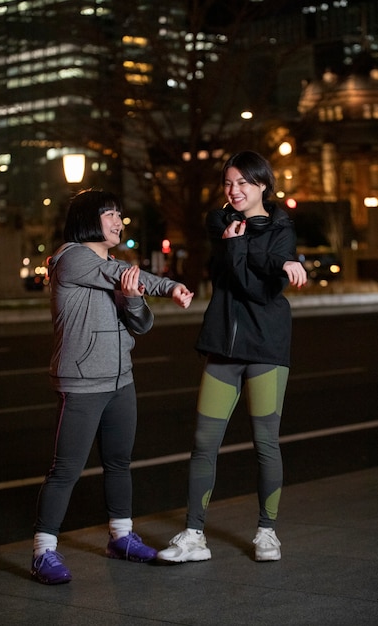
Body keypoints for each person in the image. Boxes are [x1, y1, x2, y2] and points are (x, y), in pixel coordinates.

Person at [31, 189, 193, 585]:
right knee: (65, 469)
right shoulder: (72, 258)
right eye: (109, 214)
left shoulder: (113, 267)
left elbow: (141, 323)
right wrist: (170, 287)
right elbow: (123, 277)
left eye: (120, 214)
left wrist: (134, 299)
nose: (118, 221)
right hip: (82, 382)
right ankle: (42, 552)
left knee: (119, 462)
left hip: (121, 380)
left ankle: (121, 537)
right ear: (89, 218)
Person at [157, 150, 307, 564]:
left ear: (263, 185)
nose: (234, 190)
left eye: (243, 182)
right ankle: (193, 535)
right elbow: (239, 276)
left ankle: (267, 532)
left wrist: (274, 257)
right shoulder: (218, 221)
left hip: (266, 348)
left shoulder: (283, 229)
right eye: (228, 182)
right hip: (223, 345)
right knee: (204, 442)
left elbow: (261, 292)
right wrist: (272, 259)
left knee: (265, 443)